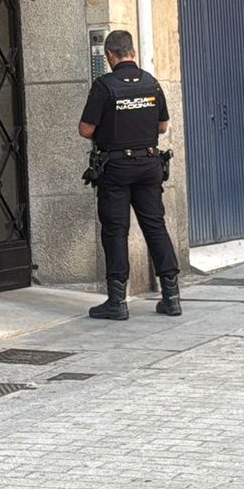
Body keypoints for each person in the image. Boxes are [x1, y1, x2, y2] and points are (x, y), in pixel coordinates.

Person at [78, 29, 181, 320]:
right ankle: (171, 297)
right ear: (133, 53)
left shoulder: (104, 85)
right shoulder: (152, 83)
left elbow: (86, 129)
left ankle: (117, 302)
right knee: (155, 227)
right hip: (149, 165)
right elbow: (162, 127)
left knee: (115, 231)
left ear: (110, 55)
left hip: (116, 168)